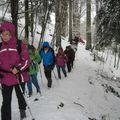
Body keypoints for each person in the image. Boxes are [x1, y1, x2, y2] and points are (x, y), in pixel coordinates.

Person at [0, 21, 30, 120]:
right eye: (3, 34)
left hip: (18, 77)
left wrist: (18, 68)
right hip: (5, 78)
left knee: (20, 97)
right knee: (6, 102)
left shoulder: (19, 45)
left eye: (7, 34)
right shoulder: (0, 47)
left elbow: (26, 61)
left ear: (11, 34)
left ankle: (22, 110)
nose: (4, 36)